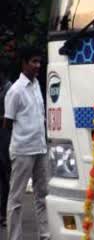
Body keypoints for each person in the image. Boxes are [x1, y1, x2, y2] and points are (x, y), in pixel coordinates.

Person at [4, 46, 48, 240]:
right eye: (34, 62)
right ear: (24, 63)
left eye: (39, 61)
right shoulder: (15, 90)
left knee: (43, 196)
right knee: (16, 198)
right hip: (22, 151)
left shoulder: (37, 84)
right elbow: (7, 123)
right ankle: (14, 237)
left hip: (41, 148)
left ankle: (45, 235)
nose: (38, 65)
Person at [0, 60, 11, 229]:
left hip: (5, 135)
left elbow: (9, 117)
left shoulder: (9, 89)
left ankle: (4, 213)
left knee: (5, 174)